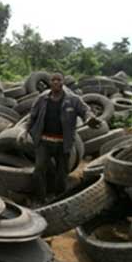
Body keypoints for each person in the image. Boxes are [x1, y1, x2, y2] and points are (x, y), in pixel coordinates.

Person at [19, 72, 102, 202]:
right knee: (39, 170)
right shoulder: (42, 98)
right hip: (44, 142)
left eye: (59, 80)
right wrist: (24, 131)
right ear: (50, 82)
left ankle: (59, 199)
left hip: (64, 143)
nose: (56, 82)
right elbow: (32, 116)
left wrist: (90, 118)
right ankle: (40, 199)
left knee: (62, 174)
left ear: (63, 82)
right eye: (53, 80)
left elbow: (85, 111)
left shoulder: (73, 99)